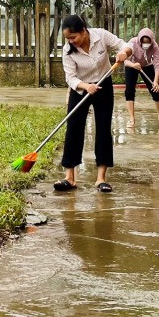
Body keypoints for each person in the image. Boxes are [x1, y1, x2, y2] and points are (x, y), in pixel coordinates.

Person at [57, 15, 130, 193]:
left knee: (104, 128)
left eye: (73, 37)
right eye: (67, 38)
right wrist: (85, 86)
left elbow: (124, 45)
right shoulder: (68, 50)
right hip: (80, 88)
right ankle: (70, 177)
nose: (70, 41)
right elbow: (70, 78)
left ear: (83, 31)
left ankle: (101, 179)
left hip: (103, 85)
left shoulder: (101, 36)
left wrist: (124, 53)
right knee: (73, 128)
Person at [123, 27, 159, 132]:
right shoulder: (133, 42)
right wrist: (133, 65)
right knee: (129, 91)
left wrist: (155, 81)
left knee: (156, 90)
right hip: (132, 65)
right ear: (140, 40)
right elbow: (125, 61)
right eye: (144, 42)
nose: (146, 44)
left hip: (147, 65)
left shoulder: (154, 46)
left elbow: (157, 64)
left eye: (148, 42)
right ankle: (131, 119)